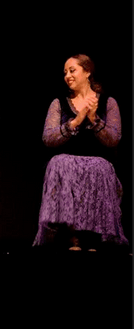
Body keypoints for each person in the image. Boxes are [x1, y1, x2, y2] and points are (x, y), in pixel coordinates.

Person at [33, 54, 128, 250]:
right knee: (61, 163)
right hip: (65, 159)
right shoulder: (58, 103)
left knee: (99, 167)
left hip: (99, 160)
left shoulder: (108, 102)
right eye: (65, 72)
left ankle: (93, 236)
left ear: (87, 71)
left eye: (72, 70)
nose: (67, 75)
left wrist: (94, 119)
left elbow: (114, 139)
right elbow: (48, 139)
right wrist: (76, 121)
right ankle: (71, 236)